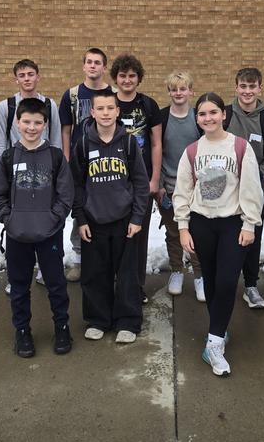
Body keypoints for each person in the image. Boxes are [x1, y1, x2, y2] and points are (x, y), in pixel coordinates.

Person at [173, 93, 263, 377]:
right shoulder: (191, 151)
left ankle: (213, 345)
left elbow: (252, 189)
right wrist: (183, 227)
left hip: (232, 225)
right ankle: (219, 331)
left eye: (213, 112)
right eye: (202, 114)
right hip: (202, 224)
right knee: (211, 281)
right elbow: (183, 191)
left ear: (224, 114)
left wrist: (250, 224)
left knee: (226, 281)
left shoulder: (240, 147)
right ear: (197, 118)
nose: (208, 118)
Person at [0, 98, 74, 358]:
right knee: (19, 285)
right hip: (18, 233)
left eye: (38, 122)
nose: (32, 127)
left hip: (49, 233)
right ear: (18, 123)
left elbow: (66, 195)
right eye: (27, 122)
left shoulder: (55, 156)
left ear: (46, 124)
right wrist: (10, 219)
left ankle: (61, 327)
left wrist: (54, 218)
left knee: (56, 283)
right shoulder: (9, 157)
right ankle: (22, 331)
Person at [70, 90, 150, 344]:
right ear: (92, 113)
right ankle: (98, 319)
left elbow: (140, 182)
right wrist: (81, 219)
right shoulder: (82, 144)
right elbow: (76, 185)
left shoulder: (128, 143)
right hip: (93, 221)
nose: (105, 113)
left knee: (127, 274)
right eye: (100, 109)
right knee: (95, 274)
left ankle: (127, 320)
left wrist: (137, 218)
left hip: (124, 220)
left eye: (110, 108)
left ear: (118, 111)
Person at [0, 58, 62, 289]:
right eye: (22, 75)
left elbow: (55, 139)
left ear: (38, 77)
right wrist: (2, 173)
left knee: (44, 220)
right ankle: (16, 276)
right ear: (16, 79)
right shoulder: (7, 106)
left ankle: (44, 269)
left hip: (44, 169)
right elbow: (0, 142)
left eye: (30, 74)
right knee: (17, 224)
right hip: (16, 171)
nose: (27, 79)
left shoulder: (50, 104)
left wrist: (55, 168)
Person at [223, 67, 264, 310]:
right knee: (225, 237)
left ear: (260, 88)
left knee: (251, 238)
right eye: (243, 86)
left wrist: (253, 181)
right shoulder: (224, 115)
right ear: (236, 88)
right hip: (225, 192)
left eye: (252, 86)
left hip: (254, 191)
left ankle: (250, 285)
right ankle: (223, 285)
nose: (247, 91)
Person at [111, 53, 162, 304]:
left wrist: (154, 179)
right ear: (116, 78)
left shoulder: (148, 105)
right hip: (112, 182)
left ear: (138, 78)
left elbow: (156, 143)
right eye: (123, 75)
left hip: (141, 183)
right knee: (115, 235)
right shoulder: (108, 103)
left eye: (132, 75)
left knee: (138, 238)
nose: (127, 80)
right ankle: (117, 283)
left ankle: (137, 286)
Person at [58, 48, 112, 282]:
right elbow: (66, 130)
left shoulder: (113, 93)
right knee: (80, 208)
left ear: (104, 67)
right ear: (83, 66)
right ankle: (79, 260)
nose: (92, 66)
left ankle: (106, 260)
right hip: (80, 164)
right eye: (89, 62)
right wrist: (68, 161)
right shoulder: (72, 95)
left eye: (97, 62)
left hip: (106, 161)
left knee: (105, 209)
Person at [157, 71, 204, 301]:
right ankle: (176, 270)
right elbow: (157, 152)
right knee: (173, 232)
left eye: (183, 89)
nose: (178, 93)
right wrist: (159, 184)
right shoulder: (162, 118)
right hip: (169, 186)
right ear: (169, 92)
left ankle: (199, 275)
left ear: (191, 91)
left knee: (195, 232)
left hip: (196, 188)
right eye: (174, 89)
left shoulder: (198, 118)